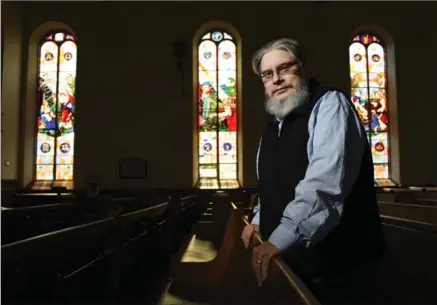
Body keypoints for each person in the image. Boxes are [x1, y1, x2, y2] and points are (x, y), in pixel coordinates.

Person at [241, 38, 386, 304]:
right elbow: (273, 183)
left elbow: (324, 185)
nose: (277, 79)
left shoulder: (330, 105)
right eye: (267, 74)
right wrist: (260, 217)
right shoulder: (274, 123)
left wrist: (280, 239)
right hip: (296, 262)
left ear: (302, 68)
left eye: (285, 68)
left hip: (340, 268)